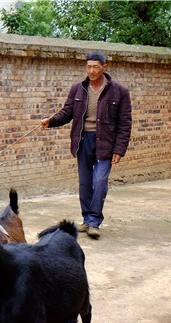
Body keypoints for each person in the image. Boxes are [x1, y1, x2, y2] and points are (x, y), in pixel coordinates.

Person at [41, 52, 132, 239]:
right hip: (83, 141)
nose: (91, 71)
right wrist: (51, 121)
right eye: (88, 67)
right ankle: (86, 219)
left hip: (106, 142)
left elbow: (125, 123)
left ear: (104, 67)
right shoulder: (78, 89)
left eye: (95, 67)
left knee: (99, 181)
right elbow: (67, 112)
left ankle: (94, 222)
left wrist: (119, 149)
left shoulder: (119, 91)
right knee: (85, 183)